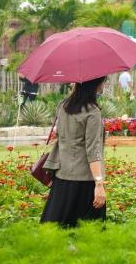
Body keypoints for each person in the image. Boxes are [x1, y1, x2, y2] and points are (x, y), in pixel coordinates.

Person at [40, 77, 107, 227]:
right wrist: (99, 183)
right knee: (89, 235)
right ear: (94, 84)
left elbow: (60, 137)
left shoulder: (63, 105)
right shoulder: (92, 112)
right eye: (103, 81)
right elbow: (93, 150)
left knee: (55, 230)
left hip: (61, 176)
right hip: (84, 181)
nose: (104, 84)